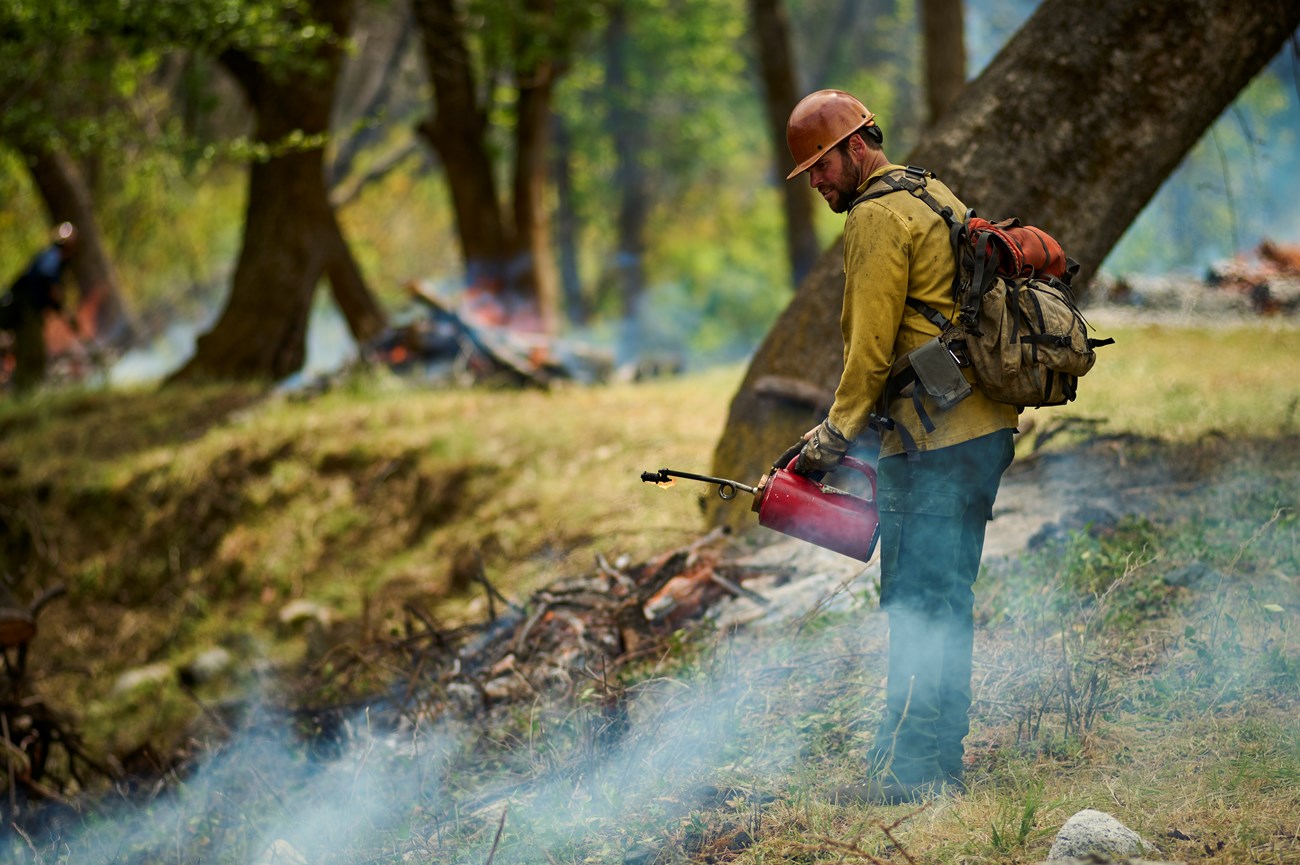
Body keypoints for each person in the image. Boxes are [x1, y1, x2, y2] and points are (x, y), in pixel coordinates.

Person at [784, 90, 1018, 803]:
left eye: (821, 167)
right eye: (809, 175)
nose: (817, 183)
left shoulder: (875, 217)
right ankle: (914, 753)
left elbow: (869, 351)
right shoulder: (930, 191)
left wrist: (828, 440)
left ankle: (920, 771)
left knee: (919, 600)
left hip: (931, 441)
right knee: (943, 596)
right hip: (982, 430)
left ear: (857, 146)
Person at [0, 222, 78, 393]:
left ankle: (25, 393)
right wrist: (59, 302)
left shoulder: (53, 257)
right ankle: (26, 394)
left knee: (29, 353)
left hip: (28, 311)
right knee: (34, 354)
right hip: (26, 311)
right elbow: (47, 277)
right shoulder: (52, 256)